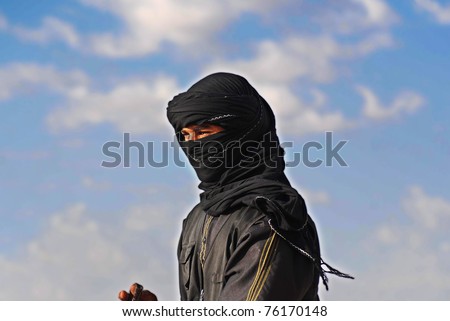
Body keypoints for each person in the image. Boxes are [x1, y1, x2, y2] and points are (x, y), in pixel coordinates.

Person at [118, 72, 352, 301]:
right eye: (186, 136)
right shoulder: (198, 218)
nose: (193, 145)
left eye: (203, 132)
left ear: (242, 134)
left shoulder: (270, 220)